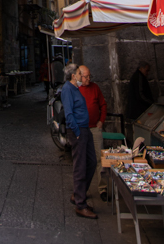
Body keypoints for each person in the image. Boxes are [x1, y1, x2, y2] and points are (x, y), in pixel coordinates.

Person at [60, 63, 98, 219]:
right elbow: (69, 113)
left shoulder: (76, 89)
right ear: (73, 75)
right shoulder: (67, 89)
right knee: (80, 166)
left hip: (85, 129)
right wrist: (76, 132)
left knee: (92, 162)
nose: (82, 77)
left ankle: (78, 193)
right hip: (78, 131)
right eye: (79, 73)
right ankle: (80, 204)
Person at [78, 65, 109, 201]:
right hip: (82, 129)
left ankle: (102, 188)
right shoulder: (76, 89)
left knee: (99, 158)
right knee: (83, 160)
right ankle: (82, 190)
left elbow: (103, 104)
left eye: (90, 76)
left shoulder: (95, 87)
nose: (89, 79)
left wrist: (101, 120)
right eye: (86, 77)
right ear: (79, 76)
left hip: (95, 128)